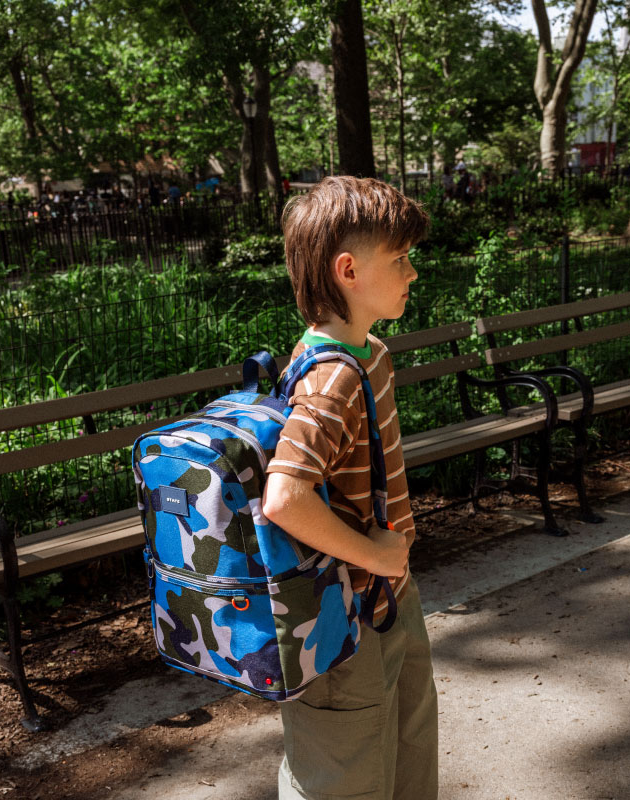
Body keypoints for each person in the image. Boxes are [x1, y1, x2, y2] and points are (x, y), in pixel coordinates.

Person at [262, 176, 438, 800]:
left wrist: (390, 568)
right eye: (399, 259)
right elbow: (284, 498)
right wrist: (377, 555)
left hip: (388, 601)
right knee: (342, 783)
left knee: (406, 764)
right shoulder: (333, 377)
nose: (412, 272)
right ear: (348, 271)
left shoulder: (367, 354)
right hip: (342, 624)